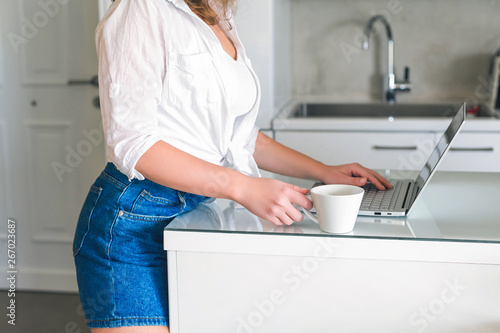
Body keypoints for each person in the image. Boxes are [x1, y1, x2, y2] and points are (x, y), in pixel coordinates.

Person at [73, 0, 392, 332]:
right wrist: (242, 187)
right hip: (132, 227)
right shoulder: (140, 7)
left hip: (193, 220)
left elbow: (238, 136)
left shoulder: (216, 13)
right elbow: (135, 143)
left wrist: (323, 171)